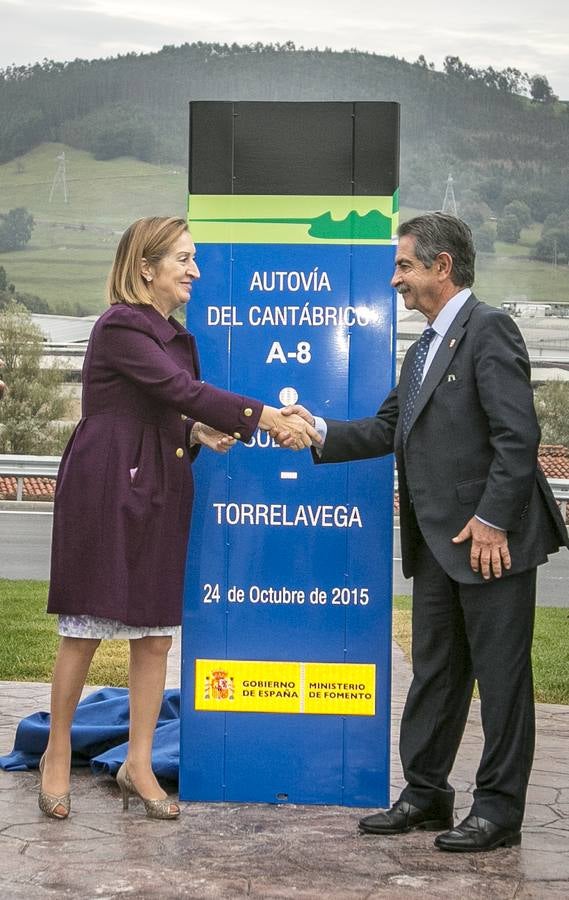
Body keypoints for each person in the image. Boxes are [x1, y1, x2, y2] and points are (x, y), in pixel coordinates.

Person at [278, 213, 569, 852]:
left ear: (443, 266)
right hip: (438, 543)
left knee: (501, 681)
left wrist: (493, 521)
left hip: (493, 543)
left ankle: (497, 811)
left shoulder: (490, 329)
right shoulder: (422, 348)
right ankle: (426, 795)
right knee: (436, 672)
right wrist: (316, 430)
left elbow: (518, 439)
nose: (396, 280)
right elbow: (388, 428)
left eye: (405, 265)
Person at [39, 216, 317, 821]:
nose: (195, 271)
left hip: (162, 482)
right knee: (85, 626)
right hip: (107, 483)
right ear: (146, 266)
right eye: (184, 259)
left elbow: (168, 404)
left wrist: (197, 430)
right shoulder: (121, 325)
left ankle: (139, 764)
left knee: (156, 631)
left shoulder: (176, 336)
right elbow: (174, 390)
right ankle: (55, 751)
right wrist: (262, 417)